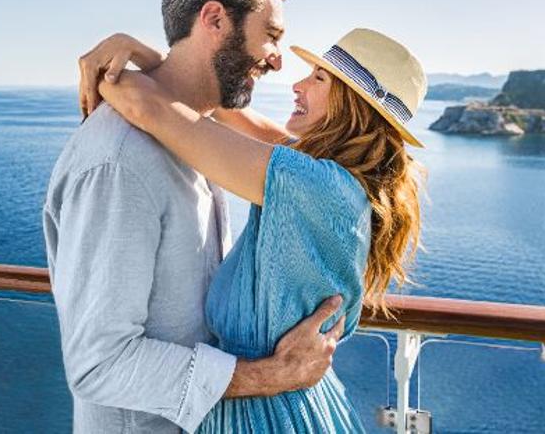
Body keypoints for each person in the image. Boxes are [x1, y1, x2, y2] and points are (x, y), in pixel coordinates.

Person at [43, 0, 347, 434]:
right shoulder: (119, 162)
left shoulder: (196, 138)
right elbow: (98, 362)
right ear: (214, 18)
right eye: (270, 36)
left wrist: (151, 59)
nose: (275, 61)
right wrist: (272, 376)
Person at [79, 25, 427, 432]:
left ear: (353, 107)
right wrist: (140, 51)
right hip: (293, 405)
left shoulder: (311, 184)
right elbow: (226, 114)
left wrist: (109, 69)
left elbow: (152, 110)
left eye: (318, 79)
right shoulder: (338, 180)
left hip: (266, 415)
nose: (297, 85)